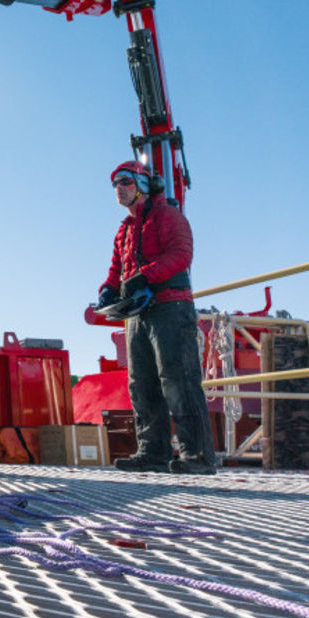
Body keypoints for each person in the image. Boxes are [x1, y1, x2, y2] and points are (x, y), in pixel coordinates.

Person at [96, 160, 217, 475]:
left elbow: (181, 255)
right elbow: (116, 269)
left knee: (179, 380)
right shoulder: (124, 228)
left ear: (143, 185)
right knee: (142, 384)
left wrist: (145, 277)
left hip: (170, 307)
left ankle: (198, 456)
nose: (118, 189)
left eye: (124, 181)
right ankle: (153, 452)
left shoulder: (168, 216)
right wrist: (108, 290)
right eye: (114, 184)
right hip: (137, 313)